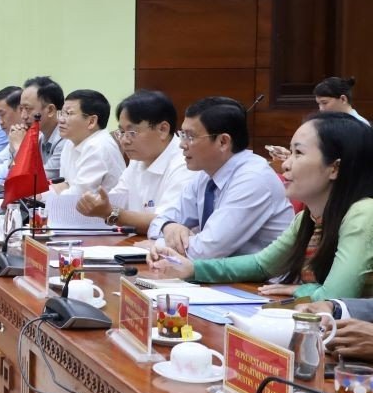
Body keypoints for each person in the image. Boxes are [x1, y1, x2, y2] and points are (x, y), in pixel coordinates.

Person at [152, 112, 373, 301]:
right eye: (290, 153)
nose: (285, 164)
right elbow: (261, 265)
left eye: (298, 153)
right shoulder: (308, 218)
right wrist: (192, 269)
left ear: (334, 168)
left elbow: (334, 298)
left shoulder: (363, 214)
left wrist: (303, 290)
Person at [146, 96, 292, 259]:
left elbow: (207, 251)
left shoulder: (254, 179)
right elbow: (157, 224)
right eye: (182, 134)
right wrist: (169, 226)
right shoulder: (206, 174)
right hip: (220, 271)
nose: (182, 144)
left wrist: (159, 245)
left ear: (223, 142)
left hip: (259, 275)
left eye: (190, 136)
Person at [77, 90, 198, 232]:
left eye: (132, 132)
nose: (124, 140)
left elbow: (166, 222)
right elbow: (117, 200)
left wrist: (111, 213)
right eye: (122, 132)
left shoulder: (185, 164)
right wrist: (96, 204)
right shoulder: (138, 160)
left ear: (163, 129)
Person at [51, 89, 125, 194]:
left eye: (68, 113)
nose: (61, 120)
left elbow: (77, 196)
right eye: (61, 113)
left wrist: (53, 192)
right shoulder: (70, 142)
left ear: (91, 121)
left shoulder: (98, 146)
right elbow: (63, 184)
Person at [19, 76, 66, 181]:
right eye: (21, 109)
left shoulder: (65, 140)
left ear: (50, 110)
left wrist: (20, 148)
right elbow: (10, 170)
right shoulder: (39, 135)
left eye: (28, 109)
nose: (23, 116)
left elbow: (34, 180)